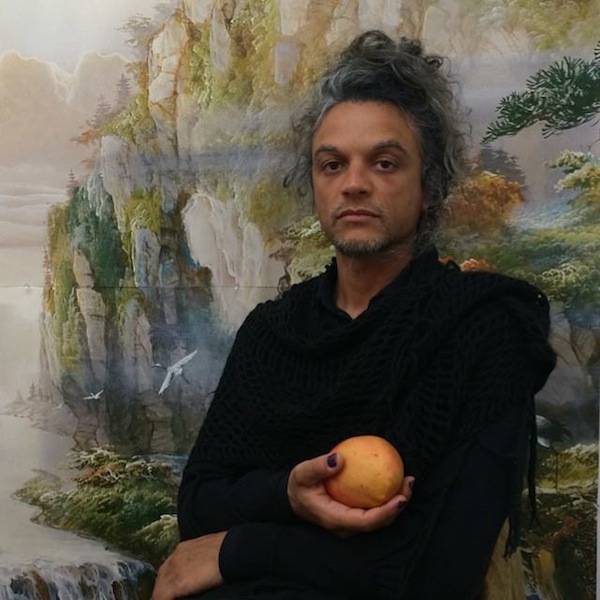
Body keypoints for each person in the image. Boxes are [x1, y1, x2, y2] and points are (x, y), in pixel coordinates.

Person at [152, 30, 556, 600]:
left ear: (429, 185)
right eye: (332, 164)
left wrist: (239, 548)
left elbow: (437, 571)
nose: (354, 184)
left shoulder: (484, 329)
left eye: (385, 163)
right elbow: (199, 503)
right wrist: (289, 494)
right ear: (314, 184)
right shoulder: (273, 332)